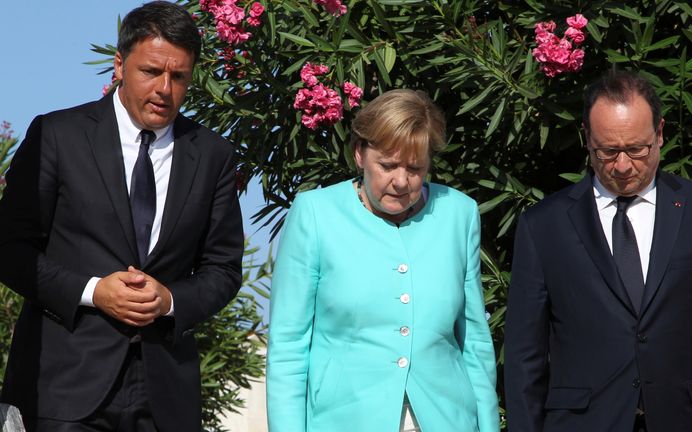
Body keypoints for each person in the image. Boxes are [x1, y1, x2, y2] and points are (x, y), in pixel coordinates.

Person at [0, 2, 244, 431]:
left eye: (179, 76)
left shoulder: (213, 156)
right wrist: (94, 291)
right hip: (63, 391)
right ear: (119, 65)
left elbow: (223, 269)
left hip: (164, 395)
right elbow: (8, 249)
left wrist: (169, 300)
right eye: (151, 71)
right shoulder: (56, 136)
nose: (165, 88)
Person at [503, 69, 692, 432]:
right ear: (586, 139)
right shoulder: (544, 225)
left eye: (637, 149)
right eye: (607, 151)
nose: (622, 166)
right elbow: (524, 355)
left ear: (660, 133)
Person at [266, 89, 500, 432]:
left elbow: (475, 343)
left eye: (415, 167)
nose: (402, 181)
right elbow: (288, 347)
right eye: (388, 165)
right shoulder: (315, 214)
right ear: (360, 154)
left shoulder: (458, 214)